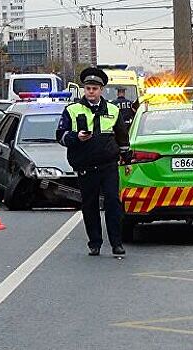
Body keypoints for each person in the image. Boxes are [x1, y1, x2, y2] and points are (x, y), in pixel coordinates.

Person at [56, 68, 132, 256]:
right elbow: (60, 136)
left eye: (95, 88)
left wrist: (127, 160)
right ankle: (95, 243)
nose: (91, 92)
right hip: (86, 166)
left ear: (102, 90)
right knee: (90, 206)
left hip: (108, 166)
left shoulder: (113, 110)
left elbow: (123, 138)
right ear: (84, 89)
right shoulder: (72, 110)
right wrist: (76, 137)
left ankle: (116, 243)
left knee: (113, 203)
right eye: (88, 88)